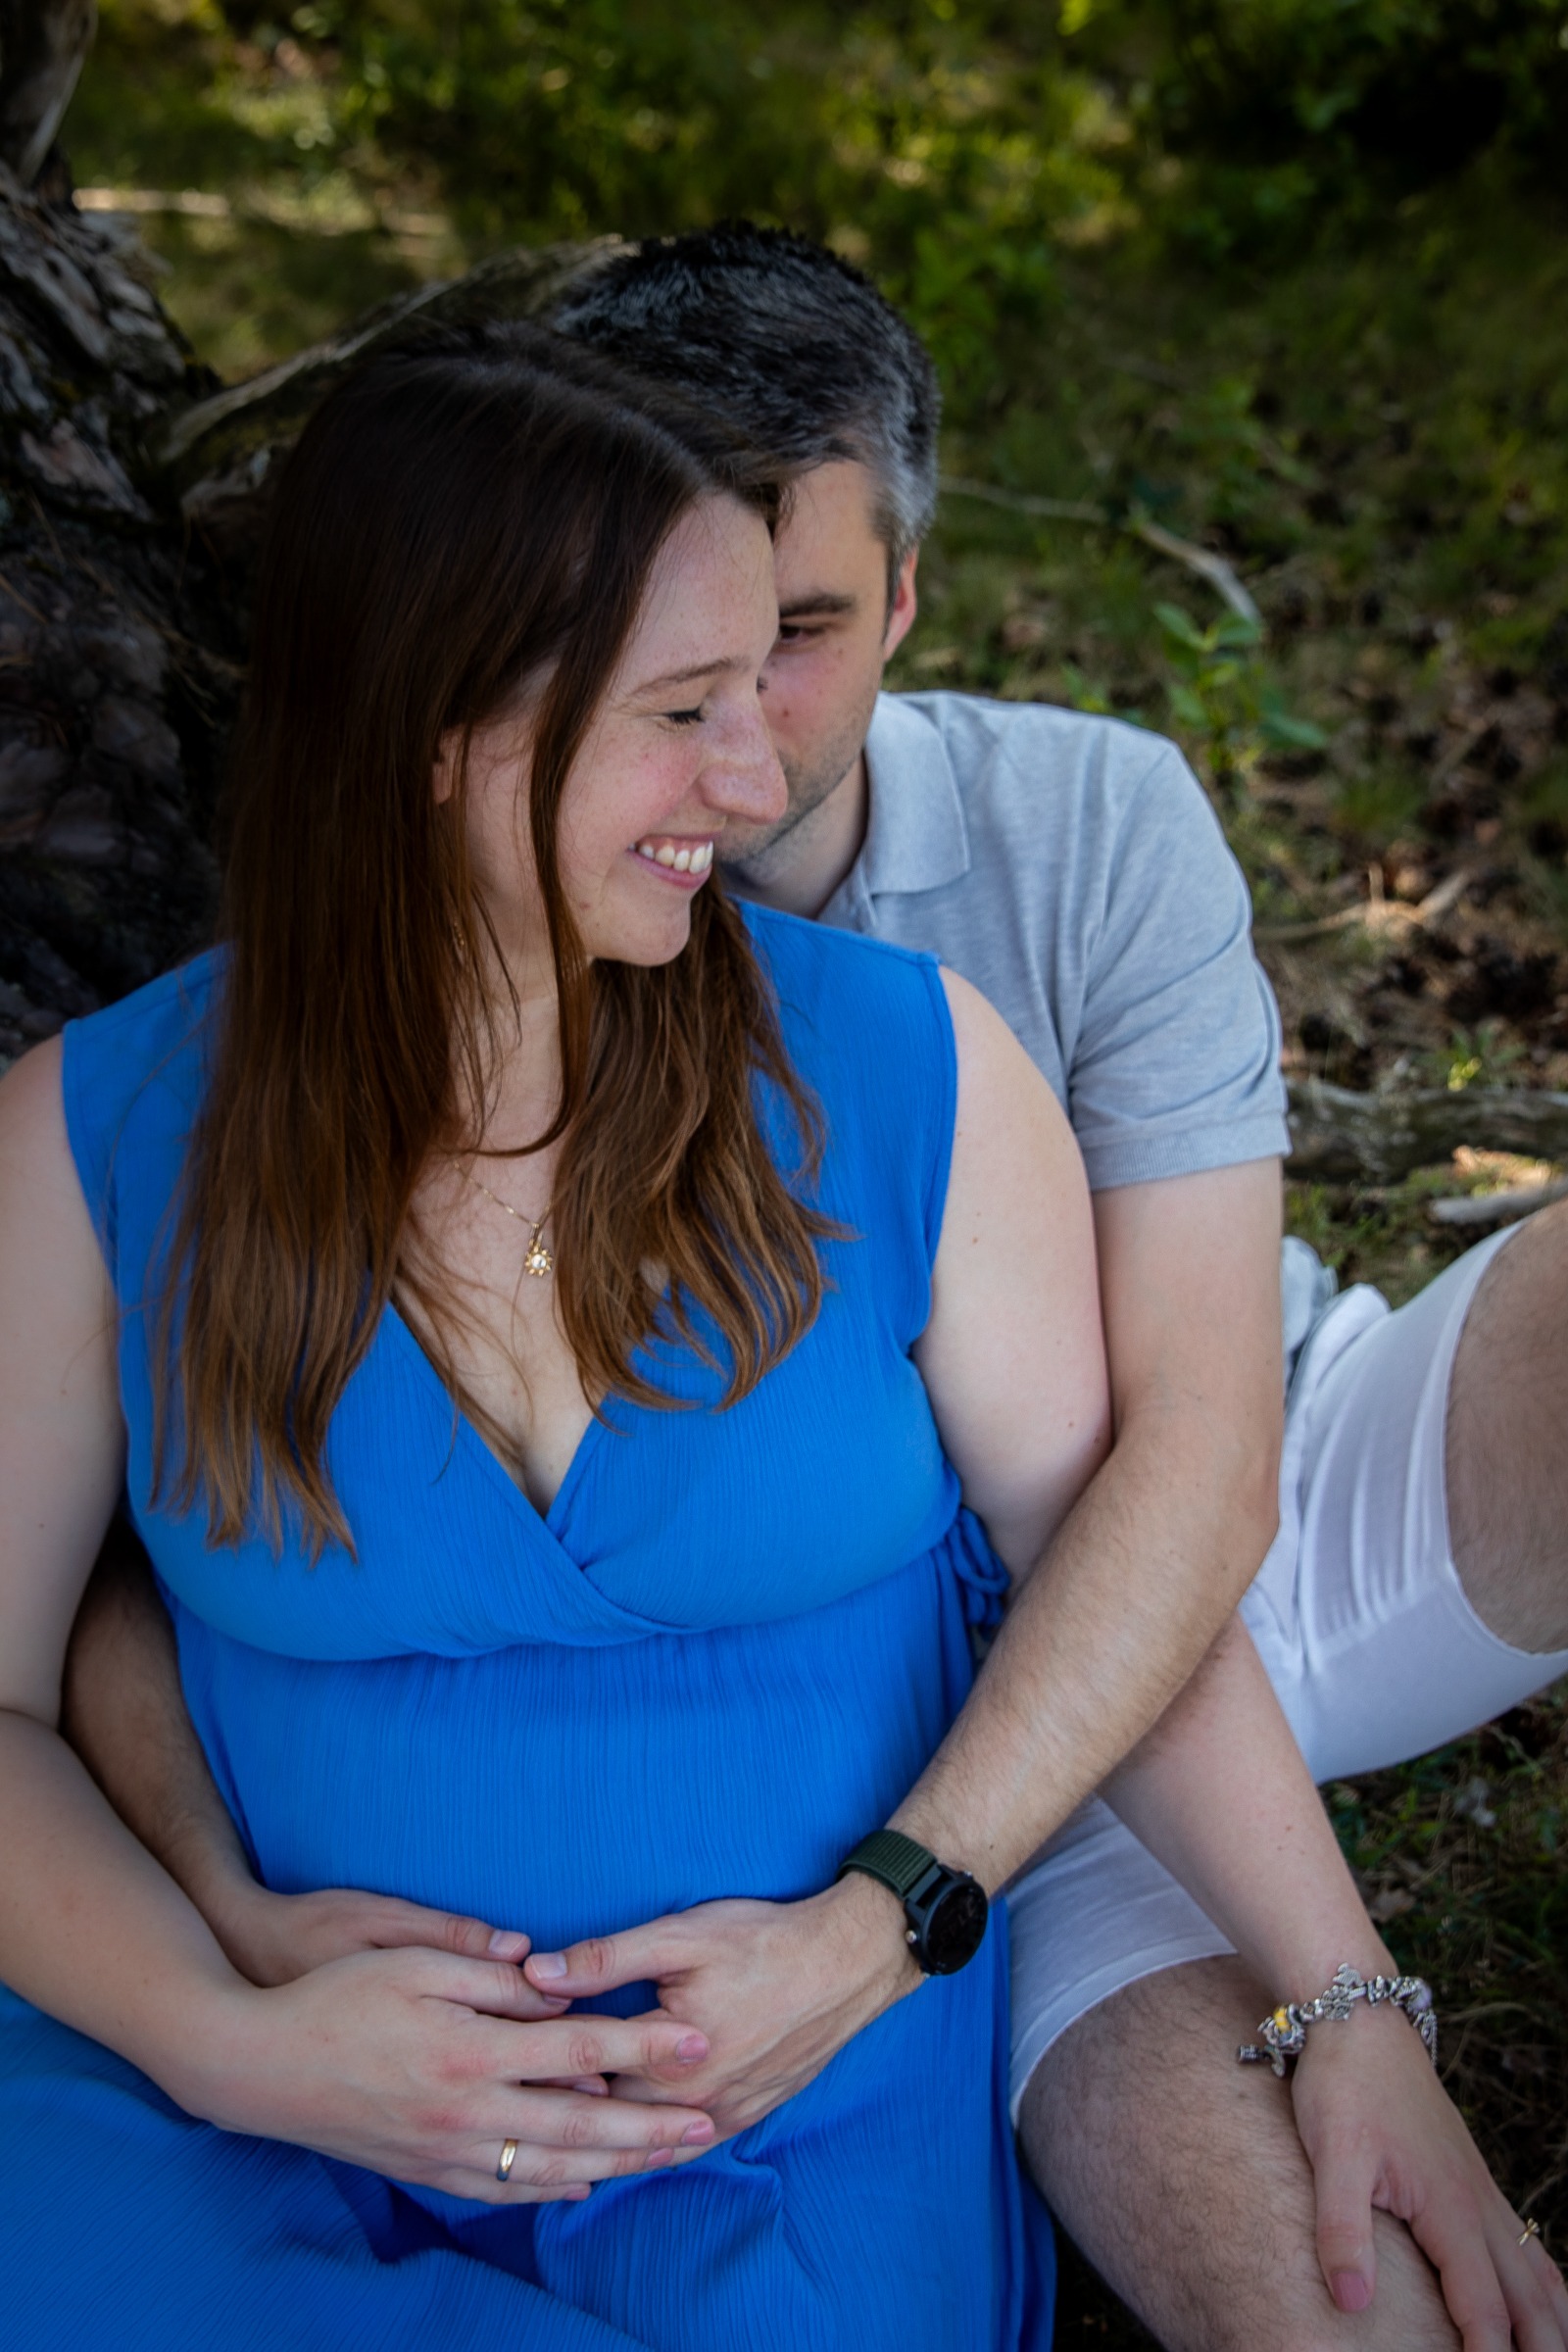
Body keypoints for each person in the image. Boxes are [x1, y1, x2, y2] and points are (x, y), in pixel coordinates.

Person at [51, 243, 1568, 2348]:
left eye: (781, 663)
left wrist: (1344, 2003)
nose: (753, 778)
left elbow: (1152, 1513)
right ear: (435, 729)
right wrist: (220, 2009)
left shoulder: (923, 1030)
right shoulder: (101, 1133)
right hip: (262, 2119)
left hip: (824, 2045)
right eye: (684, 709)